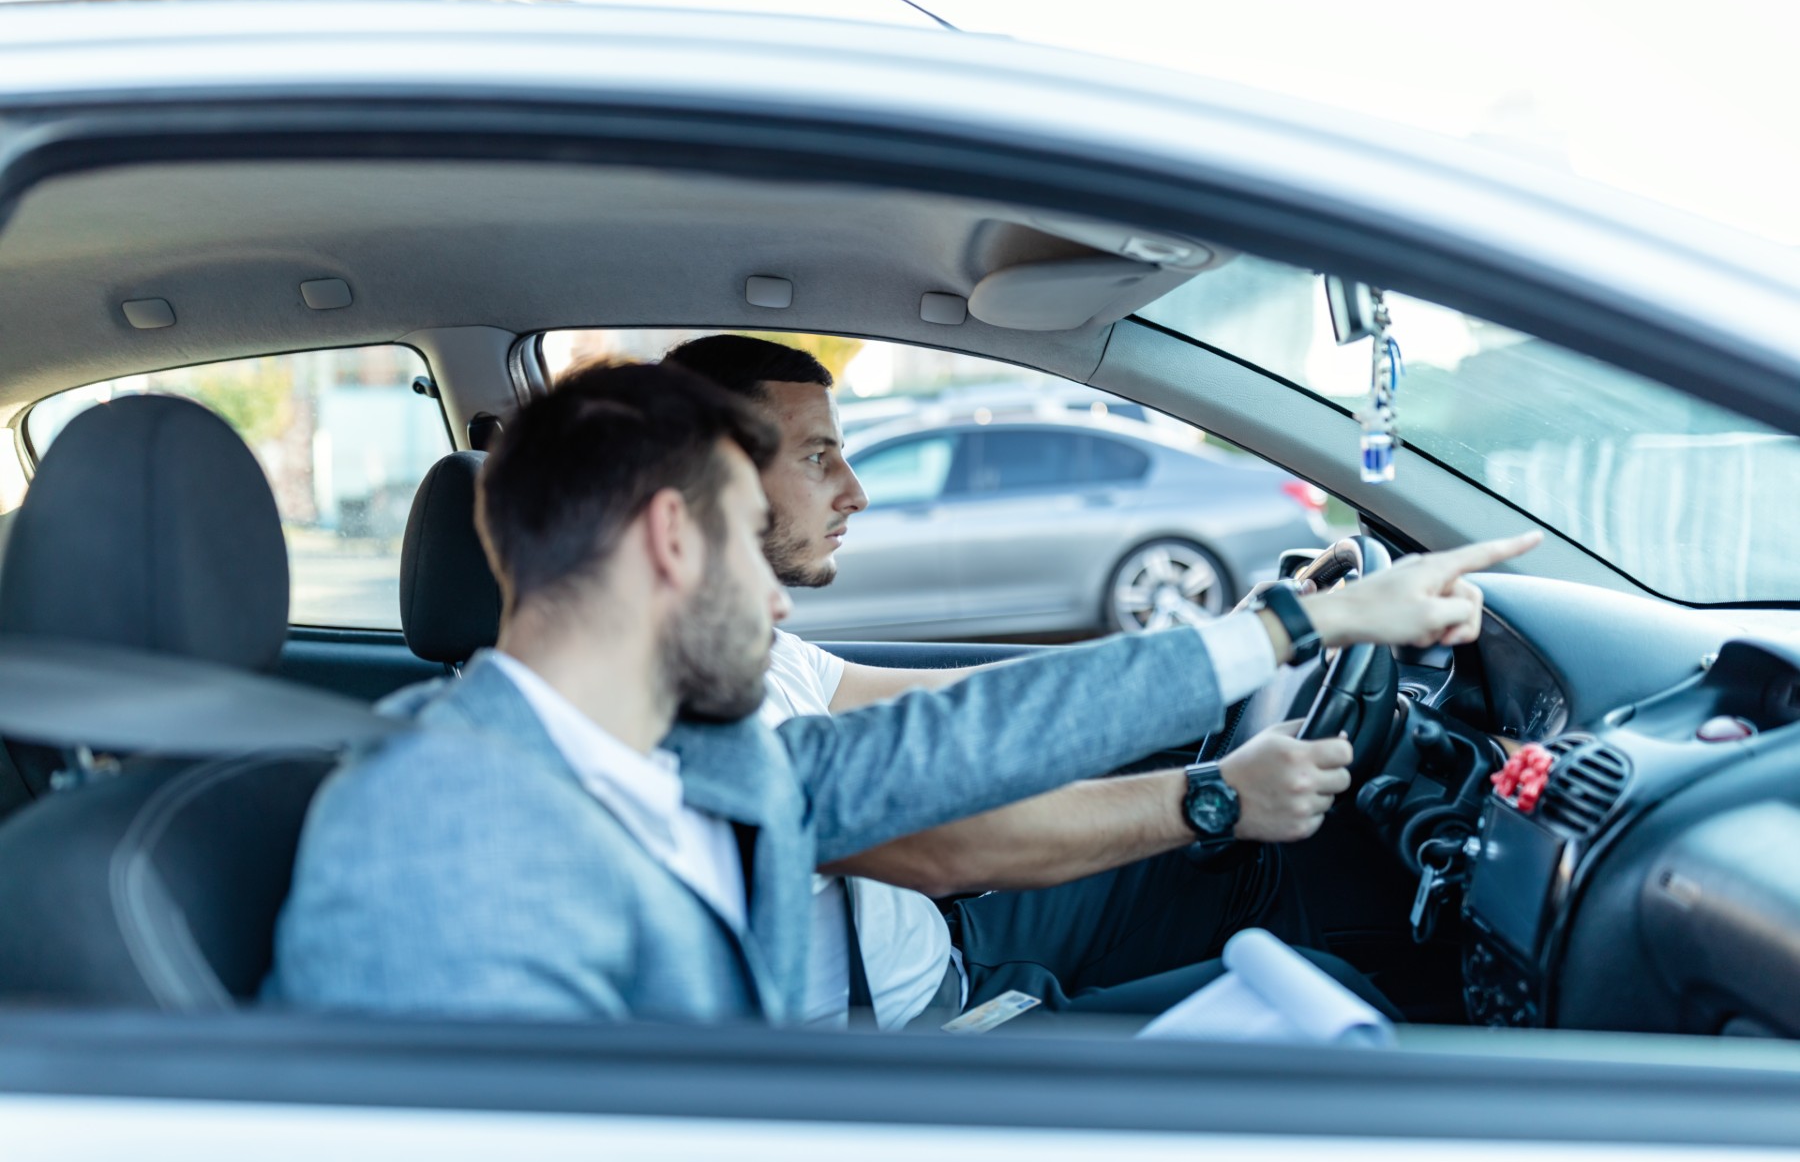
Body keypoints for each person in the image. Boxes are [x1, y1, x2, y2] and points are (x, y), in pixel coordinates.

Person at [266, 359, 1536, 1025]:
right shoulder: (432, 826)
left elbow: (972, 731)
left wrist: (1296, 622)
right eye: (743, 541)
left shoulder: (697, 759)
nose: (777, 600)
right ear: (670, 541)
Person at [660, 337, 1382, 1027]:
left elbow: (969, 703)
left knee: (1233, 869)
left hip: (948, 946)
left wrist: (1221, 646)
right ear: (712, 480)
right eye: (819, 458)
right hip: (924, 1036)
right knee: (1333, 992)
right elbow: (949, 849)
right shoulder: (696, 709)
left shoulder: (764, 652)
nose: (856, 493)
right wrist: (1220, 796)